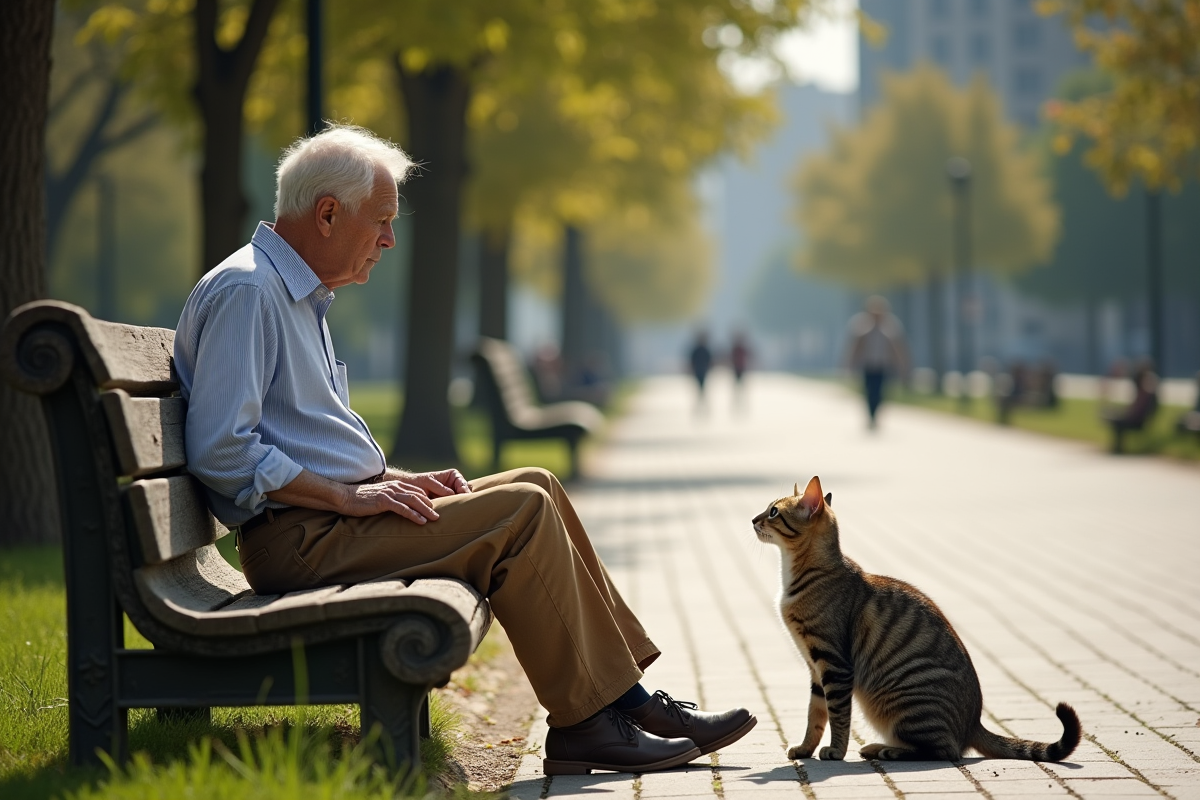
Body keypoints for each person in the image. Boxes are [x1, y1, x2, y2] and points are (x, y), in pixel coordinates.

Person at [174, 125, 755, 776]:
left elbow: (309, 439)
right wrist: (349, 496)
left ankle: (629, 704)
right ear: (328, 214)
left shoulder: (293, 296)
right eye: (383, 222)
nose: (390, 241)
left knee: (537, 483)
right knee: (521, 516)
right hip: (298, 541)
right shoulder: (249, 293)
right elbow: (222, 450)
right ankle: (589, 723)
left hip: (325, 522)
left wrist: (395, 479)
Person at [845, 296, 910, 428]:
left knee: (880, 392)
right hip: (868, 365)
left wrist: (903, 365)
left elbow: (898, 347)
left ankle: (876, 414)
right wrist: (850, 364)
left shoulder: (891, 326)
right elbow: (855, 346)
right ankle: (871, 416)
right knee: (869, 392)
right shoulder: (861, 324)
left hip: (883, 365)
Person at [688, 329, 712, 413]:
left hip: (702, 371)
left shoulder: (704, 350)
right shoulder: (698, 350)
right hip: (699, 371)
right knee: (700, 389)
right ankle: (701, 406)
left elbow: (709, 361)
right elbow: (692, 361)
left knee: (701, 389)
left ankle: (702, 406)